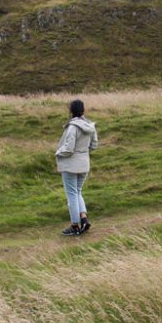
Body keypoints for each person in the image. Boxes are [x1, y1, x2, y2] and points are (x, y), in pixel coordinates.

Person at [55, 98, 98, 236]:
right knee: (77, 191)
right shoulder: (90, 126)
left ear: (71, 110)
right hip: (84, 163)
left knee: (72, 194)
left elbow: (68, 148)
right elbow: (94, 145)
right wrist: (83, 153)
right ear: (83, 110)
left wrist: (58, 153)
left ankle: (74, 225)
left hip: (70, 164)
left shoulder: (73, 127)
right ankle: (84, 219)